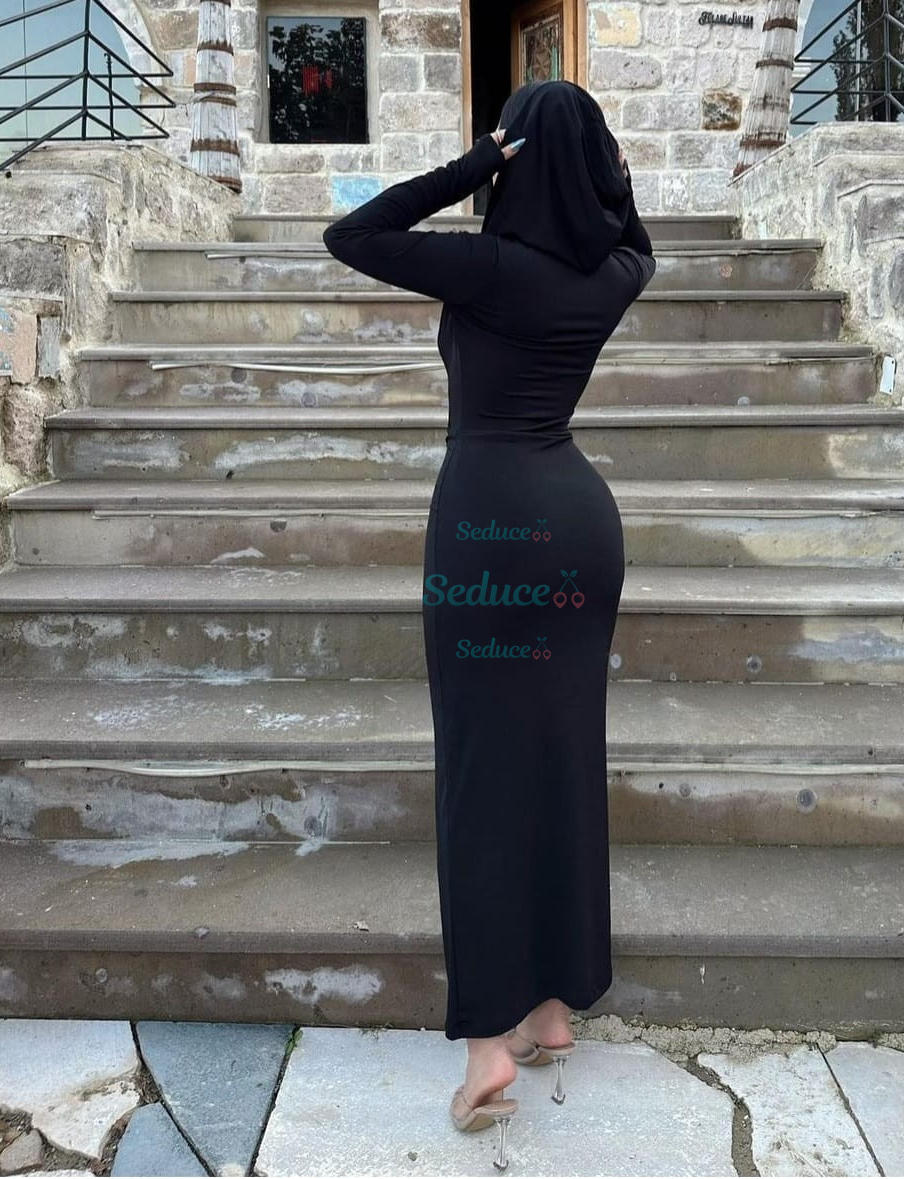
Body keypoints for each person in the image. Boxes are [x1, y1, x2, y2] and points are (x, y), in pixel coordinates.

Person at [322, 79, 656, 1169]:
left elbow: (352, 234)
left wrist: (475, 165)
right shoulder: (614, 273)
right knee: (561, 759)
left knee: (480, 776)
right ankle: (552, 1012)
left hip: (488, 531)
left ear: (515, 156)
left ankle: (485, 1054)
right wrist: (600, 171)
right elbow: (634, 229)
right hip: (580, 526)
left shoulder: (490, 267)